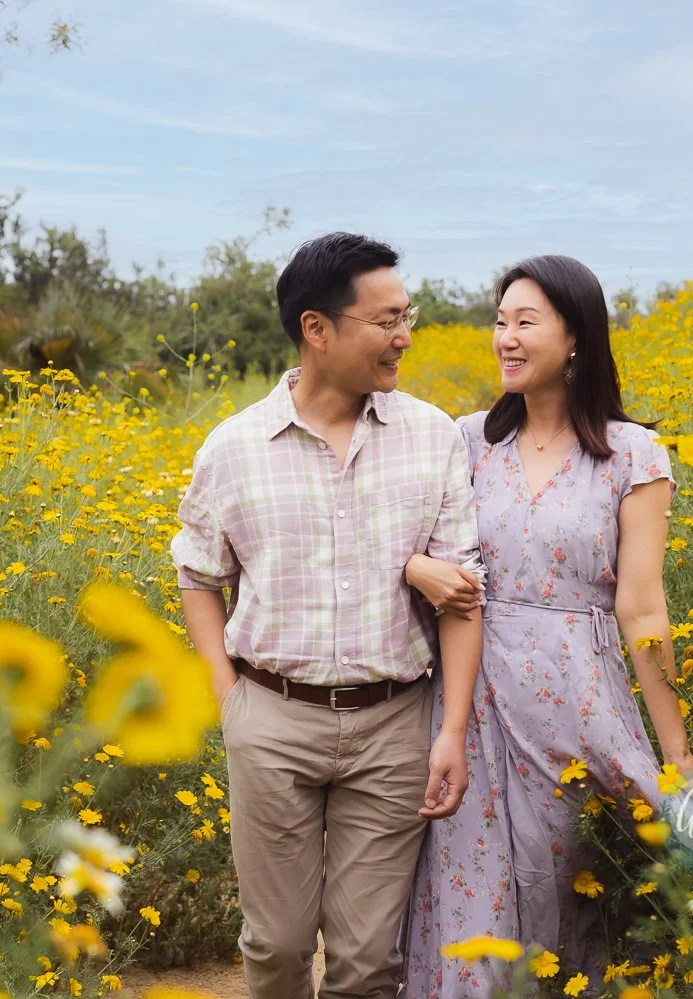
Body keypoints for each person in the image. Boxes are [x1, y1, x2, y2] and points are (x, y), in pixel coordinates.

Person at [171, 232, 485, 999]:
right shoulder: (233, 447)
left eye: (406, 316)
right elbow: (198, 574)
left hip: (394, 724)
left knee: (366, 959)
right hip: (273, 718)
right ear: (318, 328)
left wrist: (450, 731)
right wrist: (227, 695)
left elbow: (464, 592)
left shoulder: (432, 435)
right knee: (275, 947)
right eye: (384, 320)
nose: (403, 336)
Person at [401, 254, 693, 997]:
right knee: (477, 902)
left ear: (576, 340)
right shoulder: (466, 441)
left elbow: (642, 606)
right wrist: (414, 568)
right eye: (499, 321)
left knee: (576, 899)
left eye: (525, 321)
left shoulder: (633, 454)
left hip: (580, 705)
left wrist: (679, 754)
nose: (505, 336)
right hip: (474, 704)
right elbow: (395, 541)